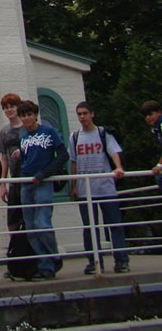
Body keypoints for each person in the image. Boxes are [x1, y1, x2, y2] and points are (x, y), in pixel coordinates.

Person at [69, 101, 129, 274]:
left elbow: (113, 151)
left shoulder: (103, 133)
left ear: (92, 114)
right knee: (90, 228)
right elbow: (73, 161)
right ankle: (94, 262)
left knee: (115, 225)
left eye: (85, 113)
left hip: (105, 188)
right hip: (85, 189)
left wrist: (118, 167)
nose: (82, 117)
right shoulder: (74, 137)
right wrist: (73, 186)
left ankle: (121, 260)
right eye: (79, 114)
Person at [18, 99, 68, 280]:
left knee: (42, 223)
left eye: (29, 114)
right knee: (31, 228)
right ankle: (45, 266)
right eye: (23, 115)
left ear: (35, 115)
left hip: (43, 181)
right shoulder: (23, 138)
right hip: (27, 182)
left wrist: (44, 174)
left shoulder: (48, 131)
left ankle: (54, 256)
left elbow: (63, 155)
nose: (26, 118)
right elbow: (25, 160)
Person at [0, 93, 24, 232]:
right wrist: (3, 184)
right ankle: (16, 249)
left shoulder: (28, 128)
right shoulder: (4, 132)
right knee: (12, 221)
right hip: (14, 181)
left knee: (31, 218)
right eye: (6, 107)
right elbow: (4, 158)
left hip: (29, 178)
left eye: (12, 106)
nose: (9, 110)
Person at [140, 100, 162, 191]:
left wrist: (159, 165)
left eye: (150, 114)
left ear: (159, 112)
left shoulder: (161, 125)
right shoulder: (156, 128)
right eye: (145, 115)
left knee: (160, 178)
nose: (148, 118)